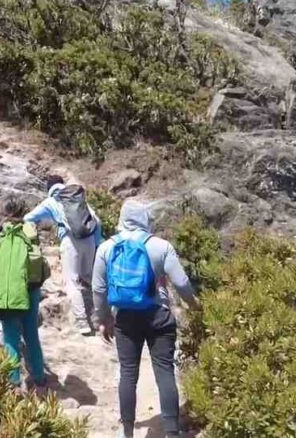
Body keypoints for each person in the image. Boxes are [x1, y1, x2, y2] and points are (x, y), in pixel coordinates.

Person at [92, 200, 199, 438]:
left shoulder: (107, 248)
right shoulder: (161, 246)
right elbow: (181, 283)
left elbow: (98, 289)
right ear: (145, 218)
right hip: (158, 315)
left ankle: (127, 431)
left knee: (128, 373)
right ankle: (171, 432)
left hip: (125, 317)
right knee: (164, 371)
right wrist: (194, 306)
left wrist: (103, 319)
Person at [24, 175, 103, 335]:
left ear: (49, 188)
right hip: (89, 240)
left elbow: (28, 218)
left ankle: (82, 322)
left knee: (71, 282)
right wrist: (96, 243)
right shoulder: (77, 198)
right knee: (88, 279)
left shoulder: (51, 201)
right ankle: (98, 319)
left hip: (70, 241)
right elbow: (97, 220)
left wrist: (32, 235)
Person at [0, 200, 50, 389]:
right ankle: (39, 378)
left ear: (5, 211)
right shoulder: (30, 230)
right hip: (31, 289)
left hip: (8, 290)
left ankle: (13, 381)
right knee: (31, 334)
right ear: (24, 212)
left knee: (10, 336)